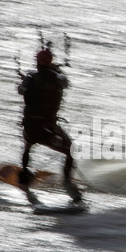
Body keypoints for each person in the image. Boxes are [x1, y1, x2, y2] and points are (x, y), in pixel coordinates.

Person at [17, 48, 82, 202]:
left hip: (31, 128)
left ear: (37, 62)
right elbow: (65, 82)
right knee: (71, 150)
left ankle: (25, 172)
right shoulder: (59, 78)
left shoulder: (30, 78)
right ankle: (67, 180)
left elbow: (21, 90)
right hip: (48, 129)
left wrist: (25, 78)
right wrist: (55, 70)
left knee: (27, 146)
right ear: (51, 62)